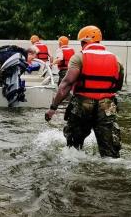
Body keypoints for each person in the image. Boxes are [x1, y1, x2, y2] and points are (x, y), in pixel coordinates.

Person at [45, 25, 124, 158]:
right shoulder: (116, 59)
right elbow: (117, 86)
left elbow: (66, 85)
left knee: (73, 148)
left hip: (83, 103)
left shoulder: (79, 57)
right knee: (110, 151)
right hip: (108, 105)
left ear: (83, 42)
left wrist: (53, 108)